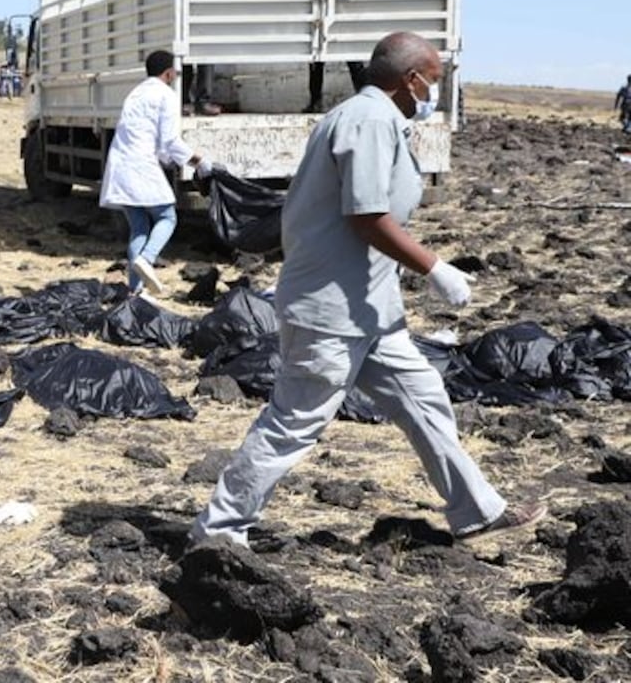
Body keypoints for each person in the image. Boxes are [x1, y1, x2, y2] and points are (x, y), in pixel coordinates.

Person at [190, 32, 547, 549]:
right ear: (411, 79)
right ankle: (219, 531)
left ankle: (478, 511)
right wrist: (434, 268)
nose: (434, 93)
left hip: (370, 309)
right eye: (433, 82)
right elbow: (367, 216)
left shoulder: (373, 119)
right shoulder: (369, 121)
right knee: (293, 423)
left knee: (423, 398)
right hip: (330, 310)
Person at [99, 49, 211, 296]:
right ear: (169, 73)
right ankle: (147, 258)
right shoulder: (166, 95)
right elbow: (170, 141)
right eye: (176, 72)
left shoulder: (136, 93)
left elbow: (156, 141)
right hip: (140, 163)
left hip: (121, 164)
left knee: (139, 227)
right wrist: (199, 162)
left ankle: (135, 291)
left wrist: (167, 159)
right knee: (167, 217)